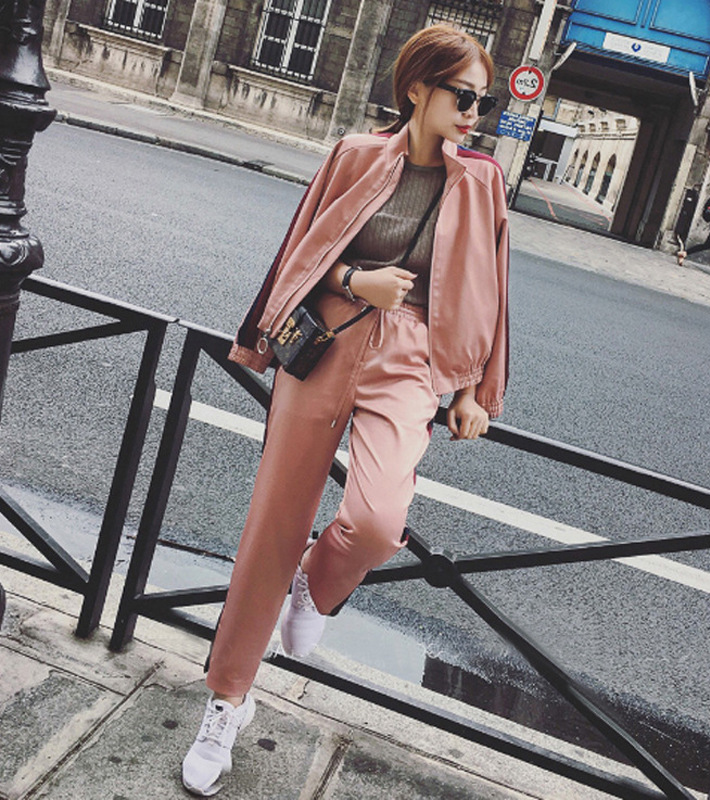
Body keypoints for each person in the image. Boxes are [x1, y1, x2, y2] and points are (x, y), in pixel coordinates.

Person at [181, 24, 509, 796]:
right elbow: (305, 251)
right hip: (327, 338)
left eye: (483, 102)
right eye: (463, 96)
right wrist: (360, 281)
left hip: (410, 357)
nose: (474, 113)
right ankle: (227, 702)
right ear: (416, 89)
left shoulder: (482, 181)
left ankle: (315, 584)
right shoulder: (355, 155)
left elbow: (492, 286)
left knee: (378, 522)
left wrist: (475, 391)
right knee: (274, 522)